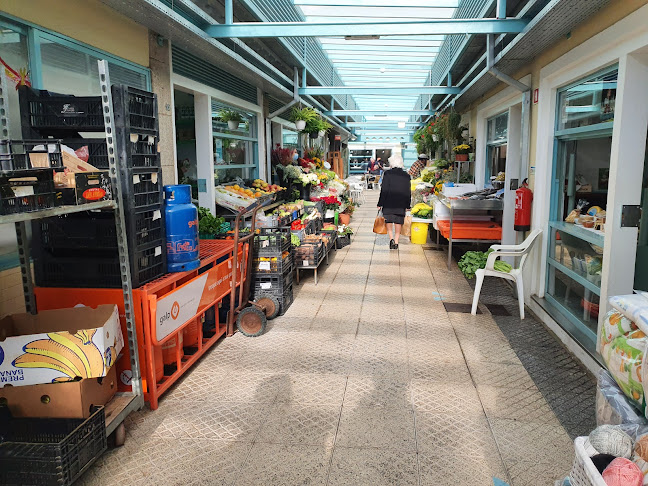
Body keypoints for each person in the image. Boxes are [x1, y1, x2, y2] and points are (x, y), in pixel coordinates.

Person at [377, 154, 411, 250]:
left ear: (391, 163)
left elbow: (384, 190)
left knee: (389, 219)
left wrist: (380, 203)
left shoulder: (387, 174)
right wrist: (408, 204)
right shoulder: (406, 175)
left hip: (388, 201)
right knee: (398, 220)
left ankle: (391, 238)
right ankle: (396, 241)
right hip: (401, 202)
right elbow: (408, 191)